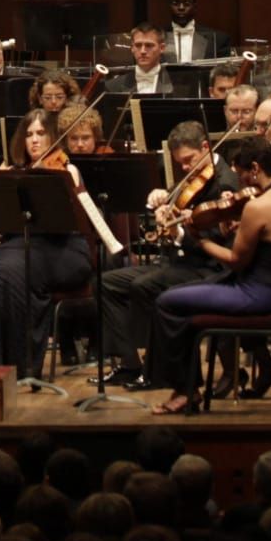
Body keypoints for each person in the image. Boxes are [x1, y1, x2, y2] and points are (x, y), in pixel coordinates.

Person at [148, 136, 271, 414]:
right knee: (185, 301)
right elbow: (268, 243)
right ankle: (187, 388)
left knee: (166, 302)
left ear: (255, 168)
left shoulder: (259, 206)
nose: (241, 183)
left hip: (255, 295)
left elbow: (236, 261)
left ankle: (185, 391)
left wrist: (198, 240)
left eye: (243, 174)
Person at [94, 120, 238, 392]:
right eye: (179, 163)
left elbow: (216, 242)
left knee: (144, 287)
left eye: (188, 160)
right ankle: (130, 364)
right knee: (106, 283)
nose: (184, 168)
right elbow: (178, 213)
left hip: (209, 267)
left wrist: (179, 234)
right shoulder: (195, 177)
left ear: (206, 148)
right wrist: (161, 203)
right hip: (179, 262)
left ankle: (160, 371)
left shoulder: (224, 183)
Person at [0, 109, 93, 376]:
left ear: (54, 136)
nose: (34, 140)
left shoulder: (67, 170)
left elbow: (70, 222)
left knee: (9, 270)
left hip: (64, 250)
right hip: (20, 247)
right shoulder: (15, 172)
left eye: (41, 134)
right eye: (29, 134)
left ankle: (18, 364)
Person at [163, 0, 231, 62]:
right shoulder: (157, 37)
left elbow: (223, 71)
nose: (181, 7)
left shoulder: (218, 39)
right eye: (175, 3)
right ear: (169, 6)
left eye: (186, 4)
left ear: (195, 6)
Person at [105, 23, 174, 95]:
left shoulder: (178, 84)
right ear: (132, 48)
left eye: (149, 45)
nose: (143, 51)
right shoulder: (112, 87)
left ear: (162, 48)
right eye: (138, 45)